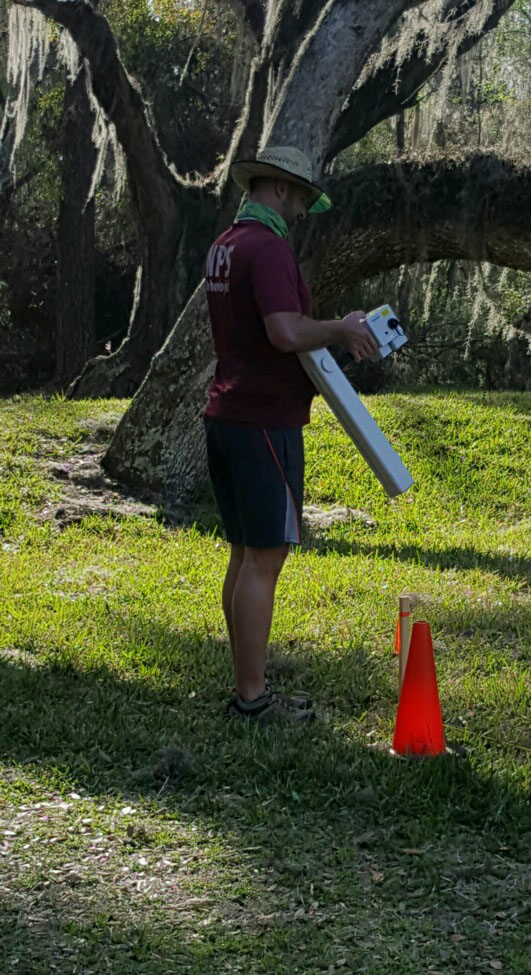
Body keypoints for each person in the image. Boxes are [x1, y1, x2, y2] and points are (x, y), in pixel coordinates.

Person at [203, 146, 378, 722]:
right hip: (264, 422)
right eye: (301, 199)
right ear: (280, 188)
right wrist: (342, 328)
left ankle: (246, 684)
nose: (302, 211)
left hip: (227, 413)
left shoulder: (225, 245)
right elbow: (284, 331)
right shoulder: (269, 248)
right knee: (265, 559)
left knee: (244, 554)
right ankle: (253, 698)